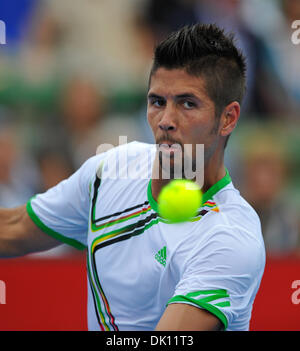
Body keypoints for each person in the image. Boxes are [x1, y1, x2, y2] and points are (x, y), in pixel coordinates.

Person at [0, 24, 265, 331]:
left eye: (188, 104)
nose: (166, 120)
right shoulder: (110, 170)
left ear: (228, 118)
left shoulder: (231, 238)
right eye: (157, 102)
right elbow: (13, 228)